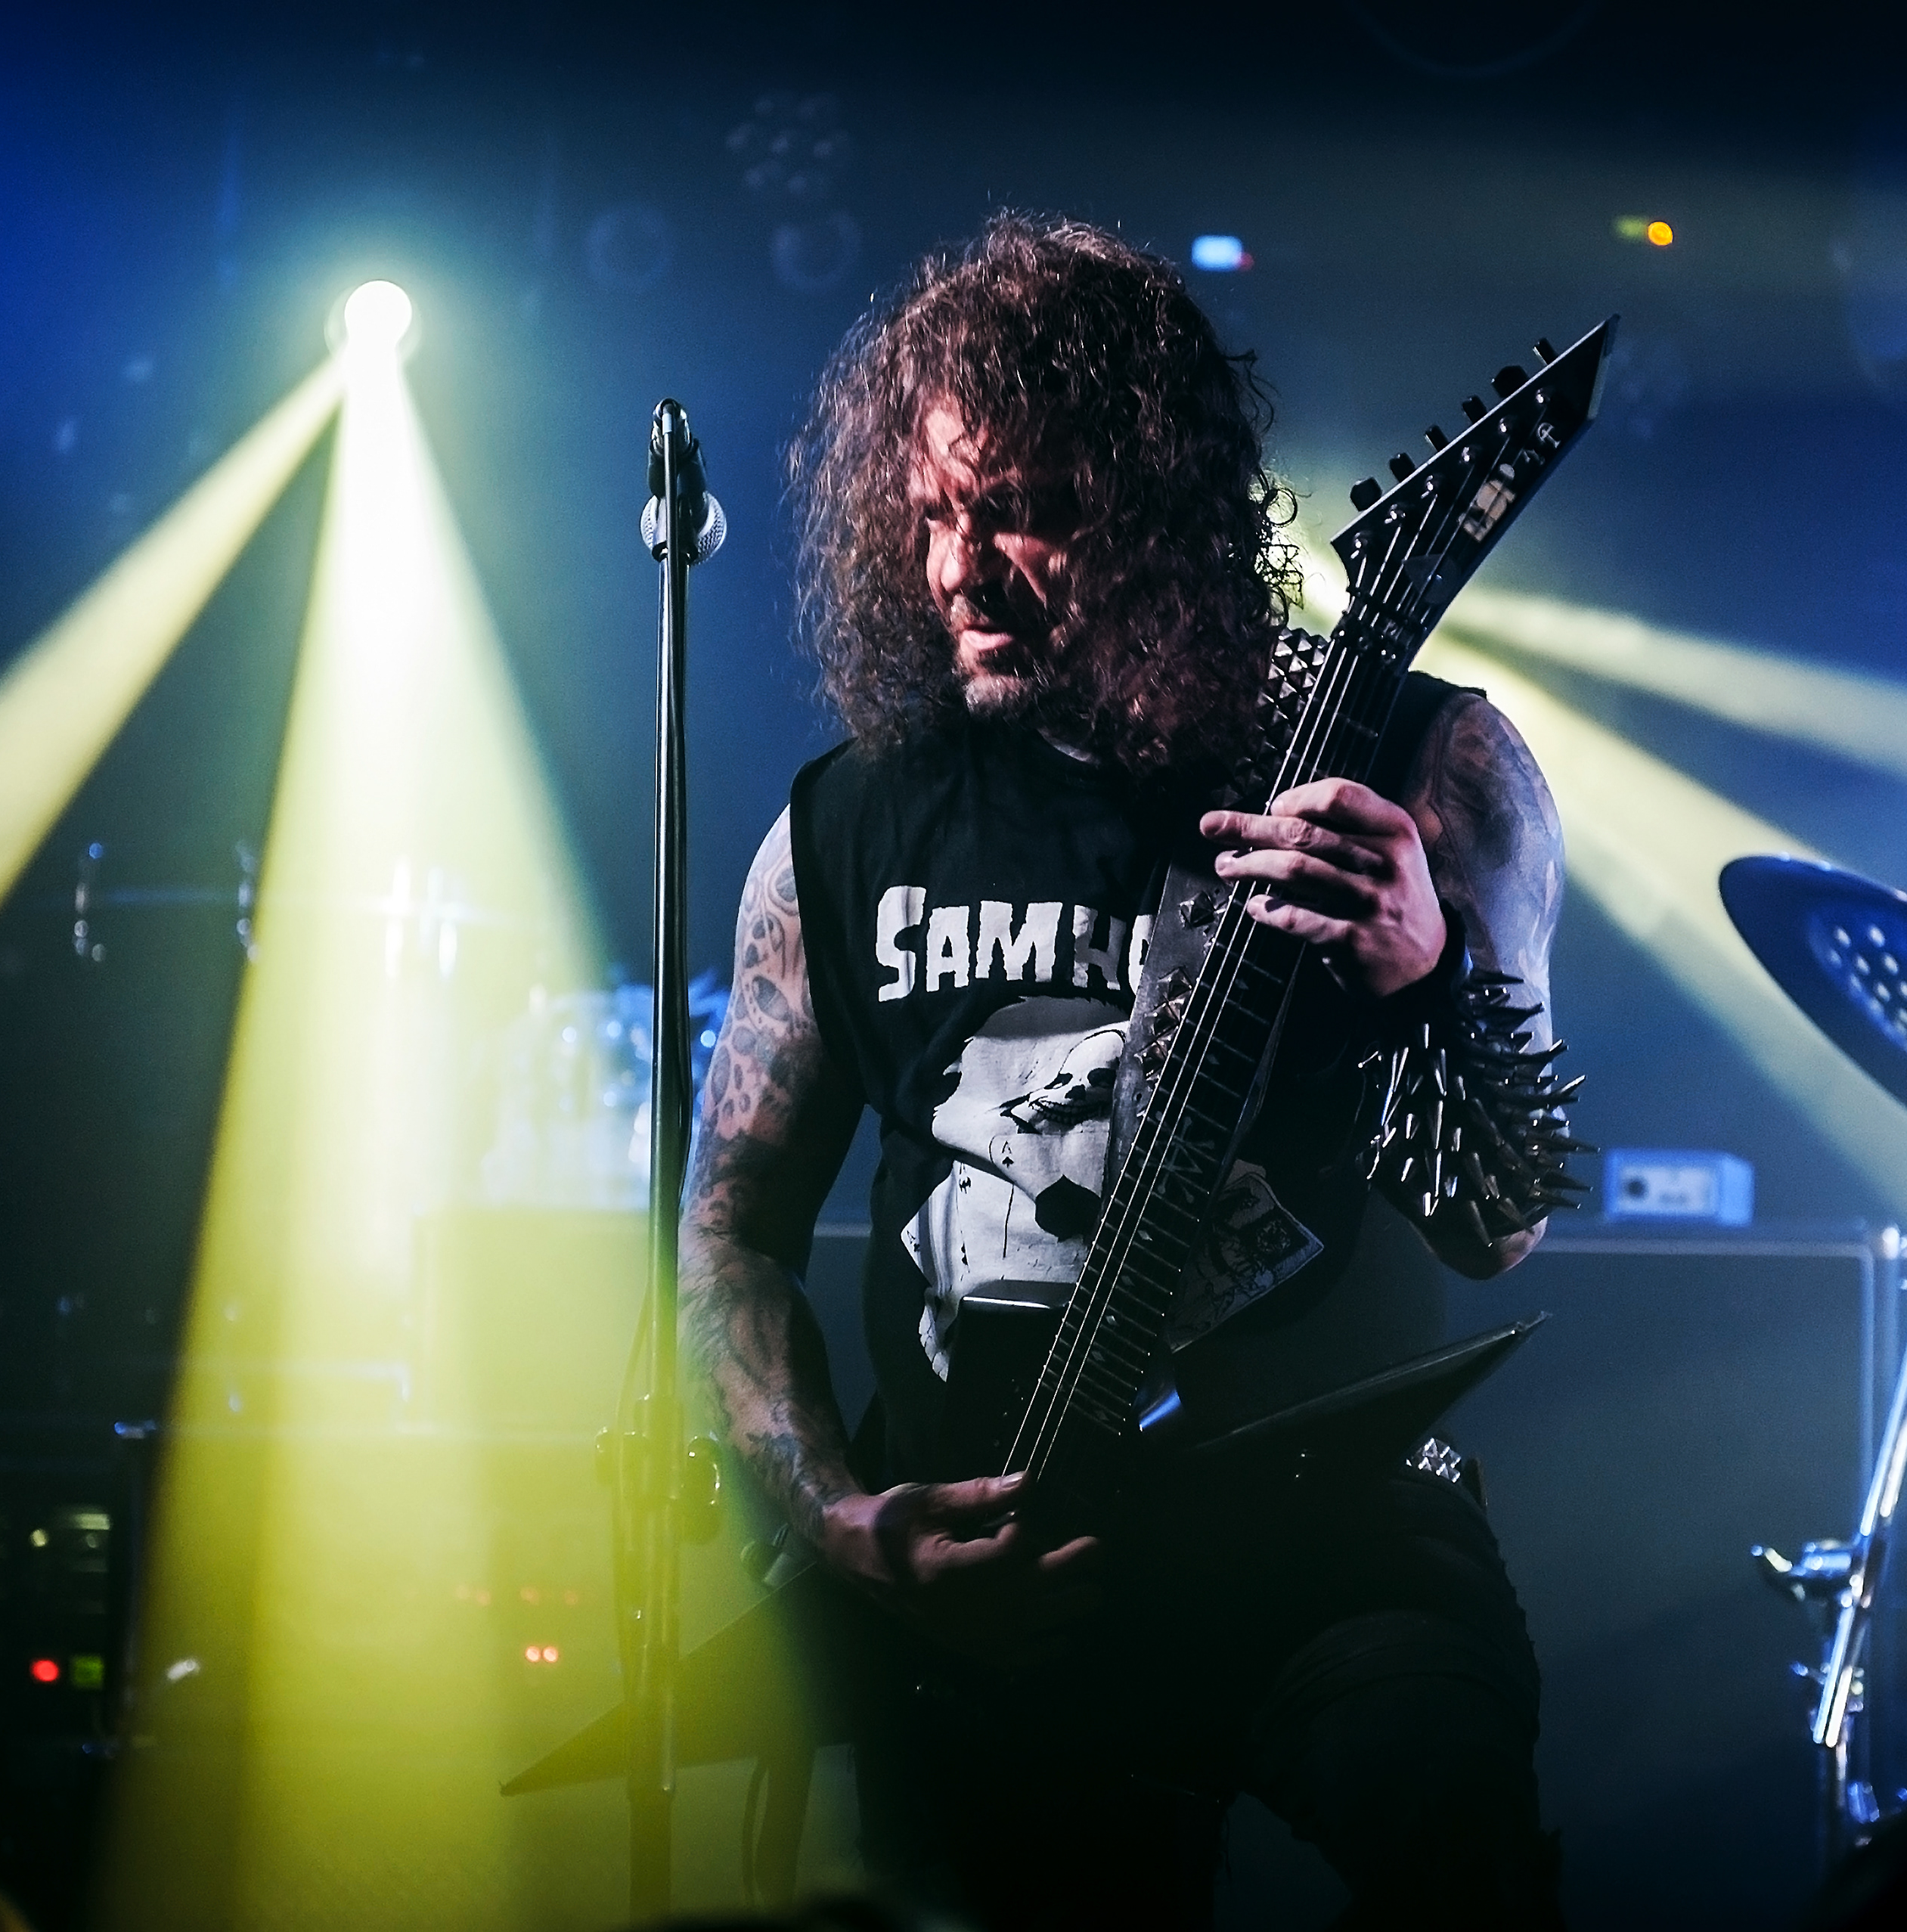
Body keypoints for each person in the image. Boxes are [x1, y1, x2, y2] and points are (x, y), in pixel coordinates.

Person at [679, 212, 1570, 1931]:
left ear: (1157, 507)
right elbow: (730, 1232)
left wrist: (1422, 965)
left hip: (1332, 1542)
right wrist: (845, 1523)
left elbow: (1505, 1226)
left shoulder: (1428, 765)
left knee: (1456, 1849)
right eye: (932, 514)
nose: (960, 569)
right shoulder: (844, 827)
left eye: (1020, 508)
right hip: (999, 1575)